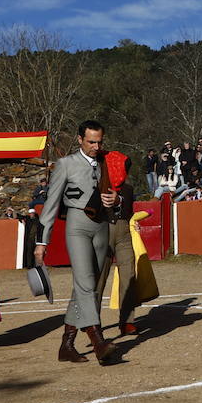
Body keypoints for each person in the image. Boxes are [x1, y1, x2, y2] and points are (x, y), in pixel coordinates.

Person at [38, 120, 125, 365]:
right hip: (77, 225)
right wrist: (41, 242)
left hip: (101, 227)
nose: (96, 146)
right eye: (91, 142)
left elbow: (123, 192)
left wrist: (116, 199)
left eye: (99, 142)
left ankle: (66, 345)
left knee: (86, 286)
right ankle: (98, 342)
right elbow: (51, 204)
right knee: (86, 284)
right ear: (79, 140)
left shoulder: (107, 162)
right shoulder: (65, 165)